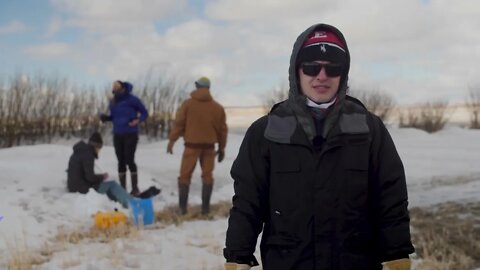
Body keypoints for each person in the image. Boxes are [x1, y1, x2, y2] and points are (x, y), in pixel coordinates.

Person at [223, 23, 415, 270]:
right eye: (311, 67)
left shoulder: (369, 128)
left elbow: (391, 197)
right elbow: (248, 201)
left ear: (343, 73)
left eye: (332, 68)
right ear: (296, 71)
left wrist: (396, 253)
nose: (321, 76)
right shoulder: (266, 131)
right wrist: (238, 257)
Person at [167, 77, 228, 215]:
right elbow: (222, 130)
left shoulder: (187, 104)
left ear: (197, 86)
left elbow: (179, 124)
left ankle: (182, 210)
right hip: (209, 148)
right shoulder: (217, 108)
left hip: (191, 147)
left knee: (184, 176)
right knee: (207, 176)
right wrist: (222, 148)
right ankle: (205, 210)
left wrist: (172, 141)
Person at [100, 80, 148, 196]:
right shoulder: (113, 102)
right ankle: (122, 190)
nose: (114, 88)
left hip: (130, 133)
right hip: (118, 134)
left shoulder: (132, 99)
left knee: (129, 159)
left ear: (123, 87)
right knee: (120, 161)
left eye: (117, 86)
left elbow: (145, 113)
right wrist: (107, 118)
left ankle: (135, 188)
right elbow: (114, 117)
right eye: (113, 86)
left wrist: (137, 120)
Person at [67, 132, 132, 208]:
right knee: (112, 184)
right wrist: (102, 177)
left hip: (73, 186)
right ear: (96, 146)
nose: (99, 151)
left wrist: (100, 178)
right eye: (99, 149)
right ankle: (131, 203)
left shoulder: (80, 151)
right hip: (81, 188)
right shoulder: (88, 155)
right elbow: (90, 177)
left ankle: (120, 204)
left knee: (107, 186)